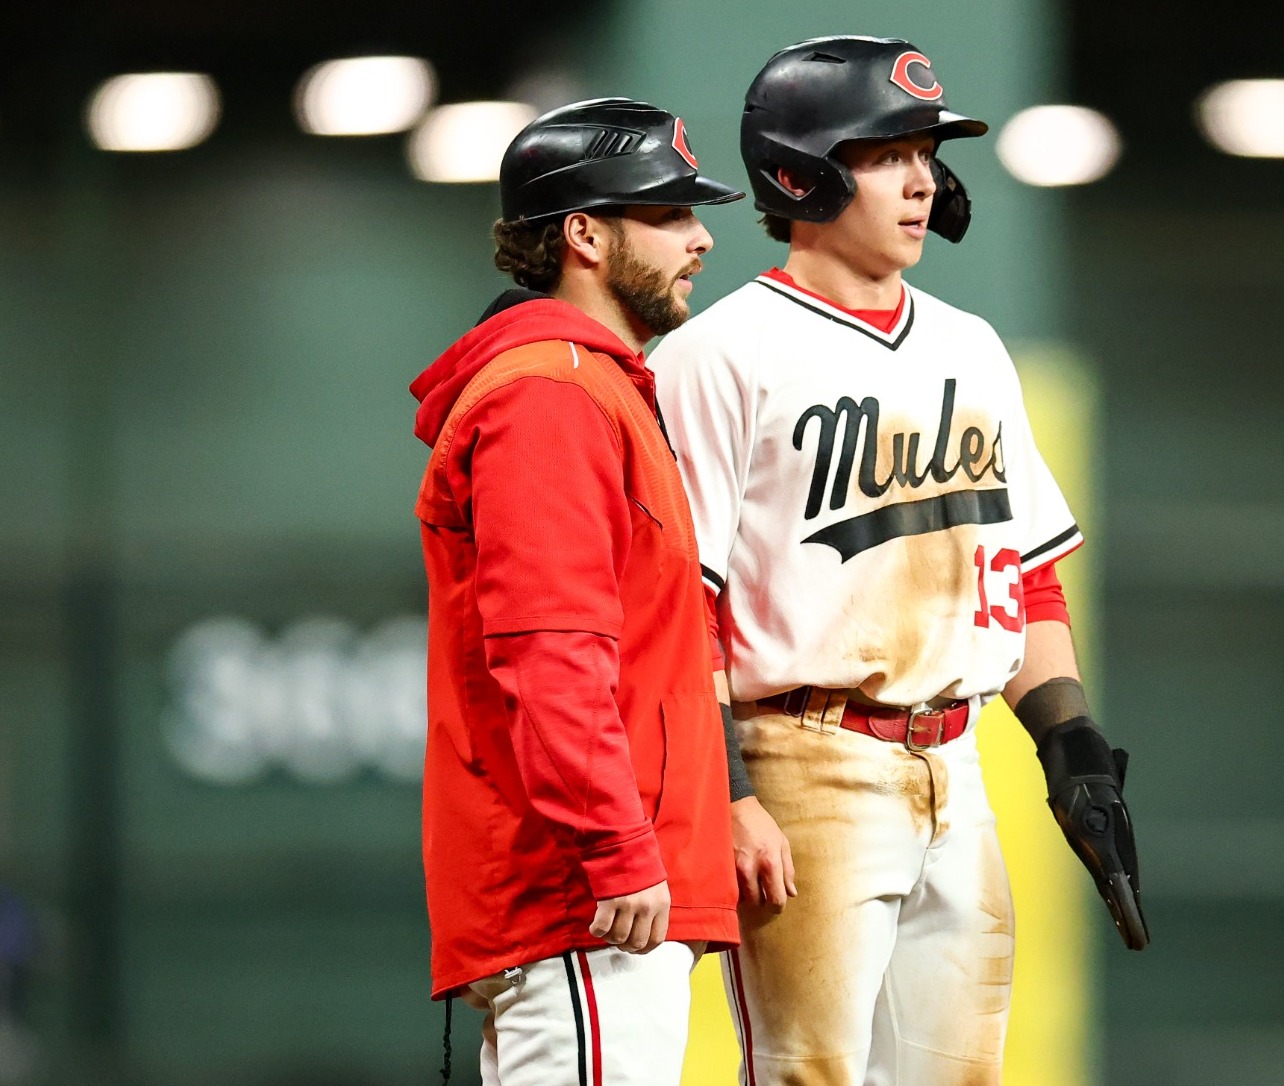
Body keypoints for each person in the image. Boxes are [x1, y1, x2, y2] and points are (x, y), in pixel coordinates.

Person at [649, 37, 1149, 1086]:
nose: (922, 179)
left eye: (925, 151)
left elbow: (1024, 573)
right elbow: (674, 604)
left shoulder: (969, 344)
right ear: (801, 173)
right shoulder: (716, 354)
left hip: (959, 764)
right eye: (885, 153)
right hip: (801, 760)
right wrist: (728, 788)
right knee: (809, 1075)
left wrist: (1071, 743)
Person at [410, 98, 747, 1086]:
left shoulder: (588, 383)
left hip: (598, 900)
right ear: (585, 234)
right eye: (671, 213)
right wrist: (617, 845)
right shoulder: (549, 394)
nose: (700, 236)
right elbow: (549, 655)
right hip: (585, 903)